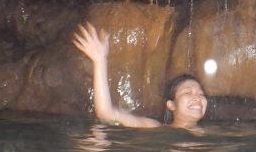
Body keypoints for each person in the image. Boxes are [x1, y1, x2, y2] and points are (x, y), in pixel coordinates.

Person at [72, 22, 207, 129]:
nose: (197, 97)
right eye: (188, 92)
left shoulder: (213, 135)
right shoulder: (155, 128)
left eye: (201, 94)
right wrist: (100, 60)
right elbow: (107, 114)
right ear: (171, 105)